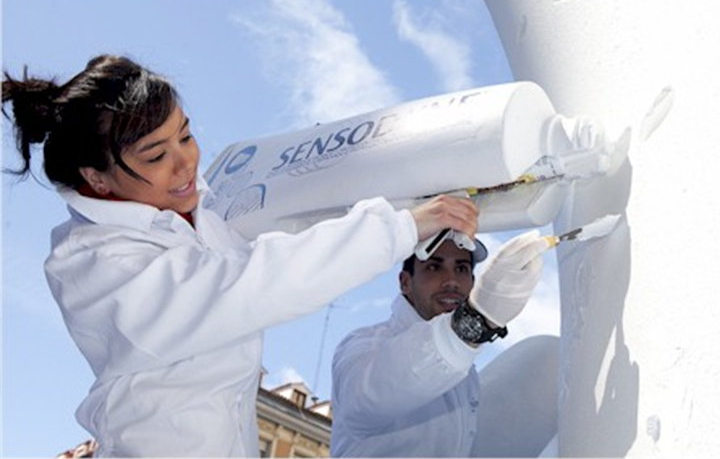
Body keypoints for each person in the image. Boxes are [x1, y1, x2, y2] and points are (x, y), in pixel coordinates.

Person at [1, 54, 480, 457]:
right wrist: (399, 225)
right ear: (98, 178)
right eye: (155, 155)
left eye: (185, 136)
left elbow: (294, 223)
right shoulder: (95, 262)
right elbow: (257, 282)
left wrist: (406, 188)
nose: (186, 162)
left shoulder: (203, 219)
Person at [330, 233, 560, 457]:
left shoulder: (465, 373)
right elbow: (376, 391)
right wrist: (475, 320)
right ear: (405, 282)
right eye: (434, 267)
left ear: (472, 282)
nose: (451, 281)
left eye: (461, 268)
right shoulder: (364, 346)